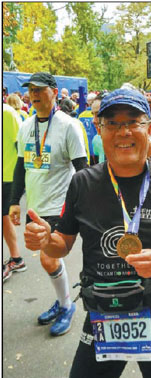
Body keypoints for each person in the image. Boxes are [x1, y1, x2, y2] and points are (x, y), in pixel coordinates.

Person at [23, 88, 151, 378]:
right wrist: (44, 240)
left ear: (149, 128)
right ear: (99, 130)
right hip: (102, 314)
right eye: (113, 124)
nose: (124, 132)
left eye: (132, 122)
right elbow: (62, 245)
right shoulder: (82, 183)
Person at [9, 72, 89, 336]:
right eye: (30, 89)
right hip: (35, 206)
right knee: (49, 262)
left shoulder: (68, 126)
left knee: (47, 257)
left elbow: (82, 168)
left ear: (54, 92)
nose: (34, 94)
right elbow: (21, 166)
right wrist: (14, 202)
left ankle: (67, 306)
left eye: (40, 89)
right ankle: (63, 298)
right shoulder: (25, 125)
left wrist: (86, 205)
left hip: (59, 206)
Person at [3, 104, 26, 281]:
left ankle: (16, 258)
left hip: (7, 176)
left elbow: (21, 147)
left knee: (4, 218)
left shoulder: (7, 113)